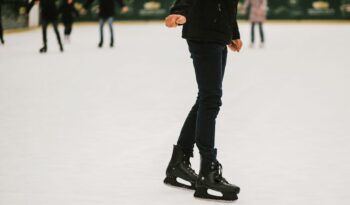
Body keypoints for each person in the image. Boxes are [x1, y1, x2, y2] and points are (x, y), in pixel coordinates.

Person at [163, 0, 242, 201]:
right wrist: (178, 11)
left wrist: (232, 32)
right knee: (211, 99)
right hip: (203, 33)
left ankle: (179, 163)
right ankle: (208, 171)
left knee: (206, 98)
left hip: (217, 34)